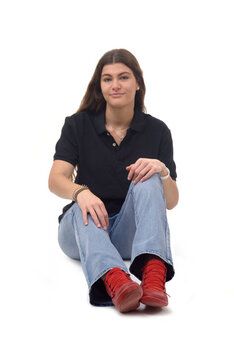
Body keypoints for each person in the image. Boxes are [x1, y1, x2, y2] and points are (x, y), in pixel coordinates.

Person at [49, 49, 178, 312]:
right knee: (81, 208)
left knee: (150, 175)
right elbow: (55, 179)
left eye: (123, 77)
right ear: (100, 86)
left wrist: (162, 171)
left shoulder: (158, 131)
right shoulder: (77, 125)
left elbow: (172, 202)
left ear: (138, 83)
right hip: (81, 231)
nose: (115, 85)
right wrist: (81, 192)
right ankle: (117, 282)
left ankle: (154, 279)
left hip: (127, 234)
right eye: (107, 79)